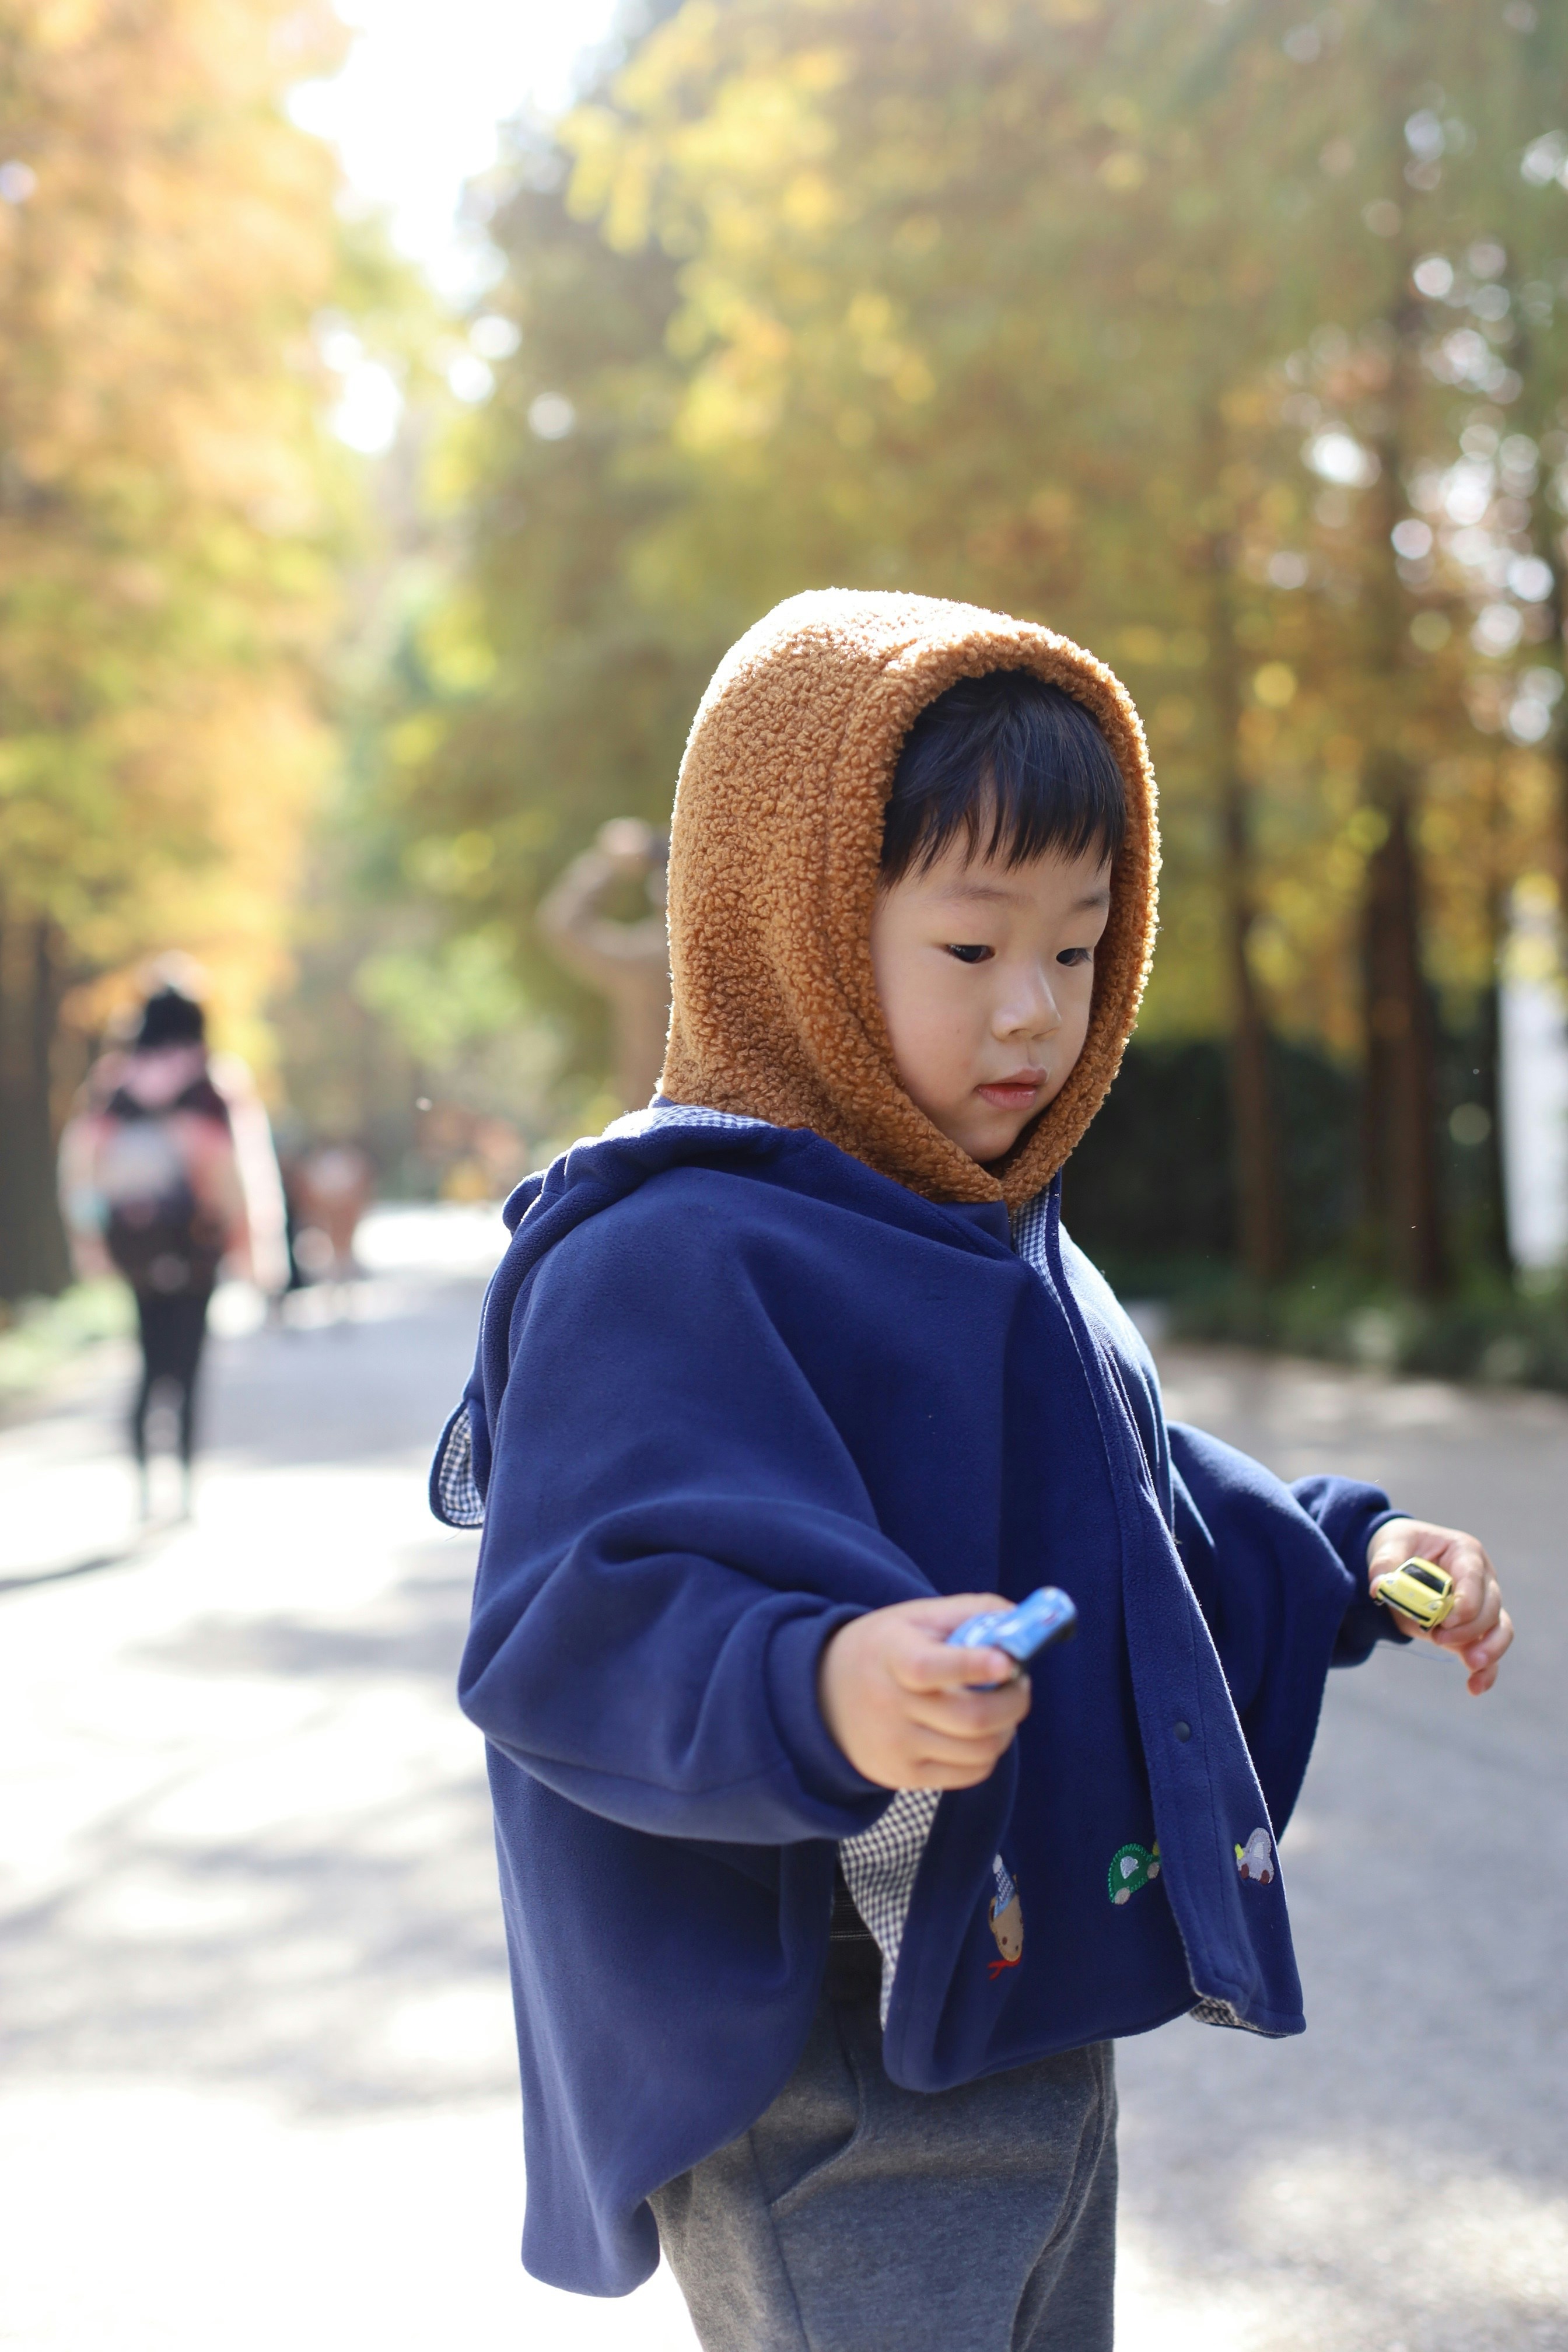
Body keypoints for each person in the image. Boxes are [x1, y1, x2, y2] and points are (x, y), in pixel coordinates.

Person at [431, 593, 1512, 2351]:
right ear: (788, 924)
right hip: (818, 2072)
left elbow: (1136, 1496)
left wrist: (1346, 1553)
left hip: (1020, 2012)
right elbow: (579, 1617)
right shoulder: (667, 1252)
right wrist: (823, 1681)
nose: (1033, 1013)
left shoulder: (987, 1227)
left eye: (1079, 950)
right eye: (967, 949)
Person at [59, 980, 285, 1516]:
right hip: (198, 1248)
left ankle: (141, 1486)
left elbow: (81, 1172)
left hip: (135, 1248)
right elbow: (241, 1175)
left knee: (147, 1359)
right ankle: (182, 1487)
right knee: (189, 1365)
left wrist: (91, 1243)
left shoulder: (113, 1085)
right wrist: (254, 1250)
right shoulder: (214, 1084)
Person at [536, 816, 671, 1111]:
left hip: (665, 1122)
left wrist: (606, 860)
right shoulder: (748, 940)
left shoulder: (652, 958)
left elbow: (563, 924)